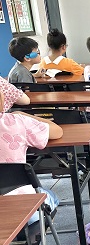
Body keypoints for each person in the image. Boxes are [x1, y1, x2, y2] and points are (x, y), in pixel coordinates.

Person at [0, 88, 62, 224]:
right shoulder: (17, 122)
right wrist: (23, 115)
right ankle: (36, 233)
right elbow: (57, 132)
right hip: (23, 208)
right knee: (51, 196)